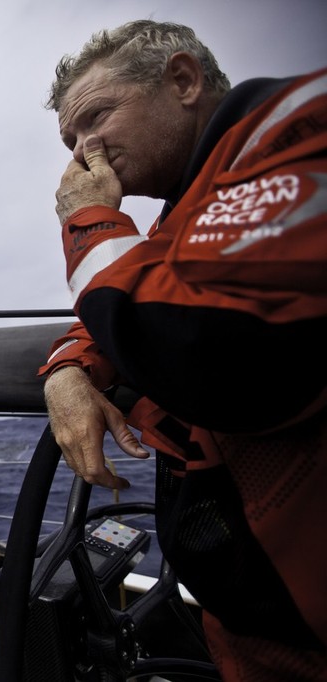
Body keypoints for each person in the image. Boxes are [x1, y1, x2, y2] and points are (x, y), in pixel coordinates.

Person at [37, 20, 326, 681]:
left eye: (95, 119)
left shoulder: (297, 126)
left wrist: (88, 224)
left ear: (183, 80)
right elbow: (146, 289)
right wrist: (67, 368)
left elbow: (214, 351)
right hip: (255, 616)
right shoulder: (187, 210)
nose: (81, 154)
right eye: (69, 140)